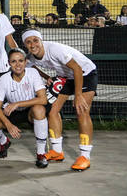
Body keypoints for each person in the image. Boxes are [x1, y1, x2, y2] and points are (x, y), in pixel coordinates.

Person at [22, 29, 98, 171]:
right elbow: (31, 68)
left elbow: (77, 68)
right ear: (25, 45)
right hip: (66, 76)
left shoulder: (55, 50)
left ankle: (85, 156)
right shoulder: (31, 57)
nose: (33, 44)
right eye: (28, 42)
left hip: (85, 73)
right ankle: (57, 151)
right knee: (52, 112)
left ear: (41, 40)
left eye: (35, 40)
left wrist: (78, 94)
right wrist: (46, 77)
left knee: (81, 111)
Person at [0, 48, 49, 168]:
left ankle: (41, 153)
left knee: (39, 109)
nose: (17, 64)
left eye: (20, 61)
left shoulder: (33, 73)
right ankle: (4, 142)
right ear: (8, 63)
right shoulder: (4, 79)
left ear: (26, 62)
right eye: (13, 61)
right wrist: (8, 124)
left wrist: (17, 104)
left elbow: (43, 99)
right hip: (11, 112)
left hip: (30, 111)